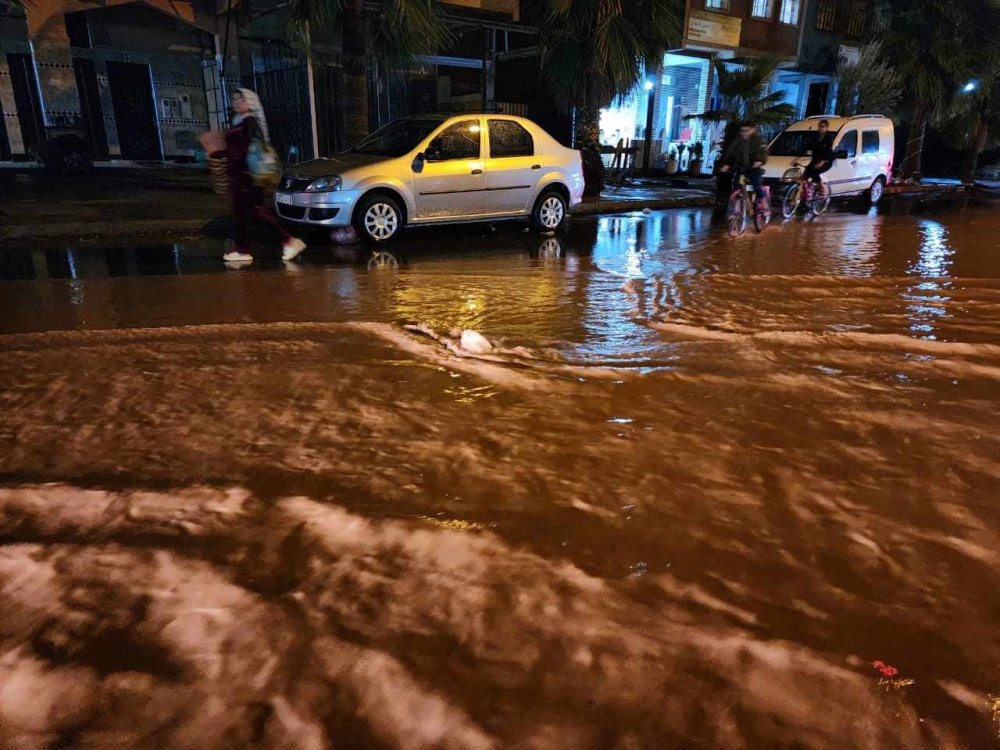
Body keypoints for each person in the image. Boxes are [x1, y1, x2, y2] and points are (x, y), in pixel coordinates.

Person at [214, 89, 305, 264]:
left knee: (256, 212)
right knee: (243, 214)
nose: (236, 101)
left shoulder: (249, 122)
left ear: (250, 102)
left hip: (247, 176)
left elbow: (247, 150)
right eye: (234, 98)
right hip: (240, 175)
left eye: (241, 98)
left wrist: (222, 154)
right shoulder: (240, 122)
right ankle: (243, 249)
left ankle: (288, 241)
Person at [719, 122, 769, 204]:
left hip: (753, 168)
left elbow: (762, 152)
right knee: (736, 187)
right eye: (742, 131)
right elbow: (731, 153)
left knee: (756, 185)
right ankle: (736, 211)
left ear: (753, 130)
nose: (744, 133)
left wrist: (759, 160)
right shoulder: (737, 141)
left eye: (747, 130)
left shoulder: (758, 140)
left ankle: (764, 204)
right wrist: (727, 164)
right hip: (741, 168)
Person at [803, 118, 836, 196]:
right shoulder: (815, 137)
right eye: (819, 126)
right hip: (816, 159)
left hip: (826, 160)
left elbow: (827, 150)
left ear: (827, 127)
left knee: (815, 172)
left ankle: (822, 189)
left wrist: (822, 161)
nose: (820, 128)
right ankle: (807, 193)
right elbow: (809, 147)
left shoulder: (829, 137)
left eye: (822, 126)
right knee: (806, 173)